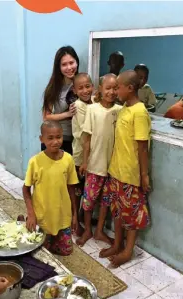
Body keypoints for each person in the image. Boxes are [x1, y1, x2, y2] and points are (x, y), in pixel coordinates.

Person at [99, 70, 151, 267]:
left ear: (130, 88)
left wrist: (144, 175)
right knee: (118, 211)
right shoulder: (123, 109)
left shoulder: (139, 112)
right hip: (116, 170)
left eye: (118, 87)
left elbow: (142, 146)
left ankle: (128, 251)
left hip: (130, 173)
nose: (115, 90)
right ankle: (117, 244)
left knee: (131, 214)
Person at [76, 74, 122, 247]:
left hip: (112, 167)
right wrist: (85, 162)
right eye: (108, 88)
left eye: (115, 88)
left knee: (105, 201)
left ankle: (99, 230)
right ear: (100, 90)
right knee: (88, 201)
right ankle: (87, 229)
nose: (111, 92)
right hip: (95, 165)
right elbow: (86, 139)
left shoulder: (119, 110)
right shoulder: (92, 109)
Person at [23, 121, 79, 256]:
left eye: (58, 137)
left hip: (62, 216)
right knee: (40, 253)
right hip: (42, 216)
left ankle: (54, 240)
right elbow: (26, 190)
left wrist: (75, 215)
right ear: (41, 139)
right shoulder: (35, 161)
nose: (55, 141)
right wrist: (31, 214)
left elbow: (71, 188)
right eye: (50, 138)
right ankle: (24, 220)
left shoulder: (68, 159)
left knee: (66, 251)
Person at [42, 46, 80, 154]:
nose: (69, 67)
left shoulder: (83, 83)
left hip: (78, 141)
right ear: (58, 67)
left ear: (77, 62)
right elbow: (46, 117)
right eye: (64, 64)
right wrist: (68, 114)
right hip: (58, 140)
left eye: (71, 62)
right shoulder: (54, 87)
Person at [71, 73, 95, 235]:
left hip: (92, 155)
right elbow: (86, 131)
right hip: (80, 156)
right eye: (81, 88)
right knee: (78, 190)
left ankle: (81, 216)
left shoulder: (93, 103)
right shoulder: (79, 105)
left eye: (88, 86)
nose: (85, 90)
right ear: (75, 90)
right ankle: (75, 219)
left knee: (88, 188)